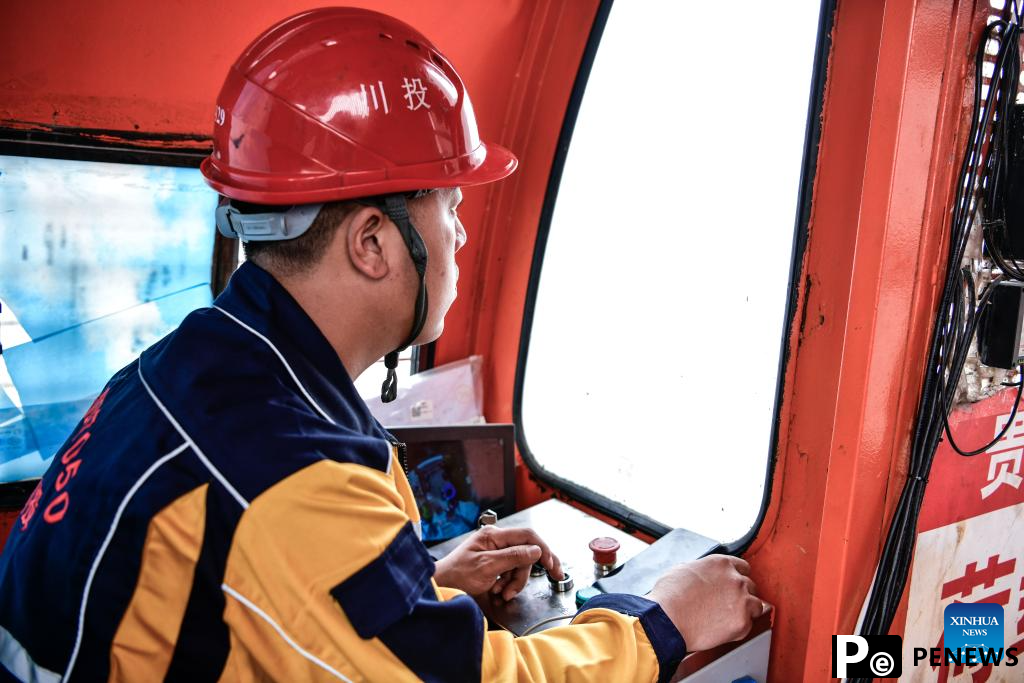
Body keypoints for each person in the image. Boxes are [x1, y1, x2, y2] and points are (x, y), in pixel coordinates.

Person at [0, 7, 769, 682]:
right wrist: (663, 618)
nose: (462, 233)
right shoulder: (286, 472)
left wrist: (422, 578)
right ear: (373, 242)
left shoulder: (195, 366)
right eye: (450, 204)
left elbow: (269, 592)